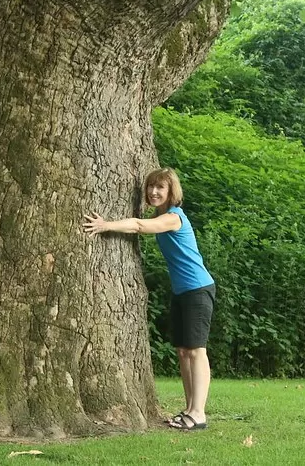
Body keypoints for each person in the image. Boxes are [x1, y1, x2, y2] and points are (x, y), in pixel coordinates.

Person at [82, 167, 215, 431]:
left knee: (196, 350)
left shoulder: (174, 217)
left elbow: (140, 226)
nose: (153, 192)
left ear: (171, 192)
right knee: (183, 350)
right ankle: (189, 409)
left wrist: (105, 225)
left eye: (160, 188)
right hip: (181, 292)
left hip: (197, 290)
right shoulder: (162, 215)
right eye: (150, 187)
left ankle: (199, 413)